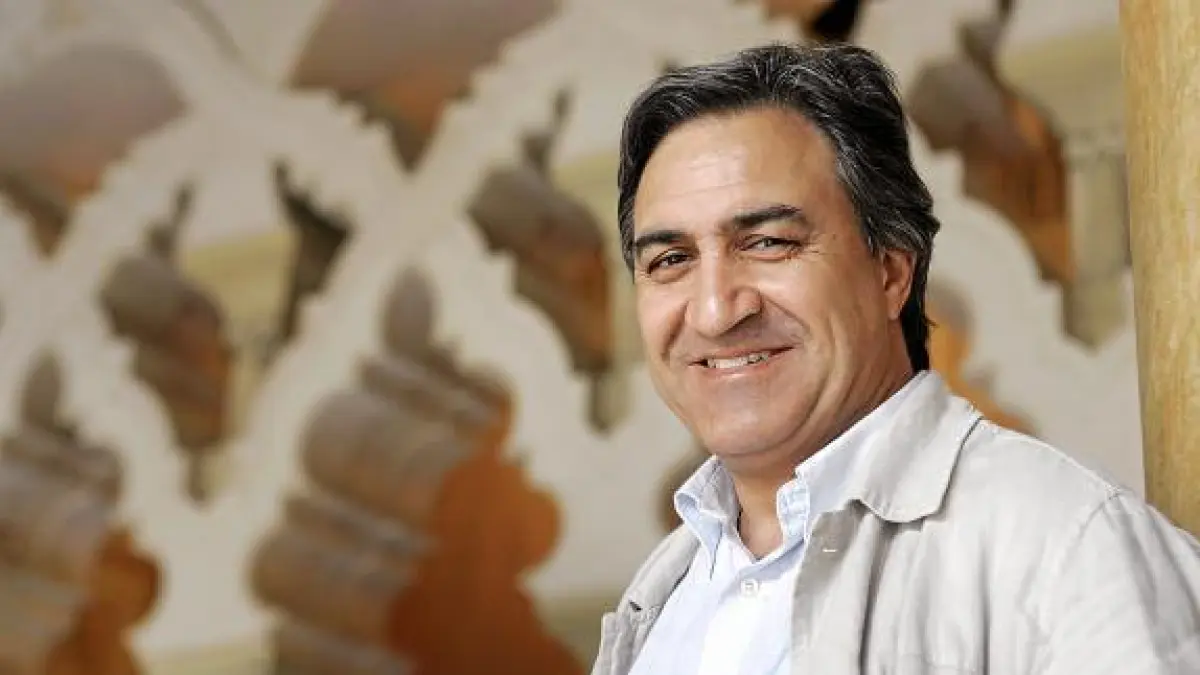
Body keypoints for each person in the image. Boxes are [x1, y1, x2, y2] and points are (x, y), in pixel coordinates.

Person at [593, 42, 1200, 675]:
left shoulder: (1067, 549)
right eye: (671, 260)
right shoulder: (664, 594)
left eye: (768, 243)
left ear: (890, 271)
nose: (716, 311)